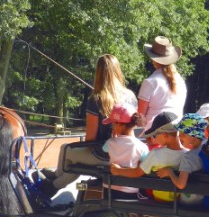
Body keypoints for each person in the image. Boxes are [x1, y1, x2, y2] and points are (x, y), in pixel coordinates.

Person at [41, 54, 137, 197]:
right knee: (72, 160)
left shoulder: (97, 99)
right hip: (126, 152)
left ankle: (54, 182)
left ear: (98, 73)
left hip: (103, 154)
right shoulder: (131, 96)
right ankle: (55, 181)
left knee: (67, 150)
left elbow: (90, 140)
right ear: (117, 71)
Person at [110, 111, 187, 201]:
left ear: (164, 135)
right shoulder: (188, 154)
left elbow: (136, 172)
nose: (153, 138)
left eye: (154, 135)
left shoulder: (156, 154)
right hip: (180, 203)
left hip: (158, 201)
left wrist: (117, 171)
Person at [156, 113, 207, 204]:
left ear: (193, 134)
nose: (179, 136)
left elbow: (180, 184)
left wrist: (169, 172)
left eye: (183, 132)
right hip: (204, 200)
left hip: (189, 203)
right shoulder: (207, 149)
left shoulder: (189, 157)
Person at [138, 36, 187, 131]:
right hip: (174, 131)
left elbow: (140, 117)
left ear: (154, 59)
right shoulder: (181, 81)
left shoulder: (150, 82)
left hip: (152, 133)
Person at [101, 104, 149, 199]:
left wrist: (114, 137)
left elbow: (104, 149)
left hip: (109, 189)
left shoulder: (110, 143)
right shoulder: (142, 147)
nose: (113, 126)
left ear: (119, 125)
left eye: (114, 123)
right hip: (130, 192)